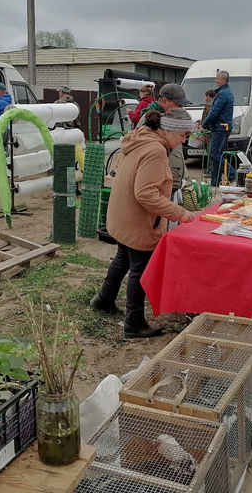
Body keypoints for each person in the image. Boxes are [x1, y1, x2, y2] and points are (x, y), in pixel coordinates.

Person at [90, 108, 195, 338]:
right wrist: (178, 212)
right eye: (183, 134)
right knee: (140, 269)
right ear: (168, 129)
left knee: (123, 258)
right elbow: (146, 193)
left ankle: (103, 299)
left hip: (122, 213)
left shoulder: (138, 138)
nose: (184, 140)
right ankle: (133, 322)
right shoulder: (156, 149)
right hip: (138, 219)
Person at [202, 70, 235, 185]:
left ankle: (231, 173)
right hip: (223, 127)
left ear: (223, 80)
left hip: (220, 127)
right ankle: (215, 181)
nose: (215, 81)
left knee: (214, 154)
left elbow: (214, 112)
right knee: (218, 154)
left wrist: (204, 125)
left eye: (217, 78)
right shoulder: (226, 92)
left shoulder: (222, 94)